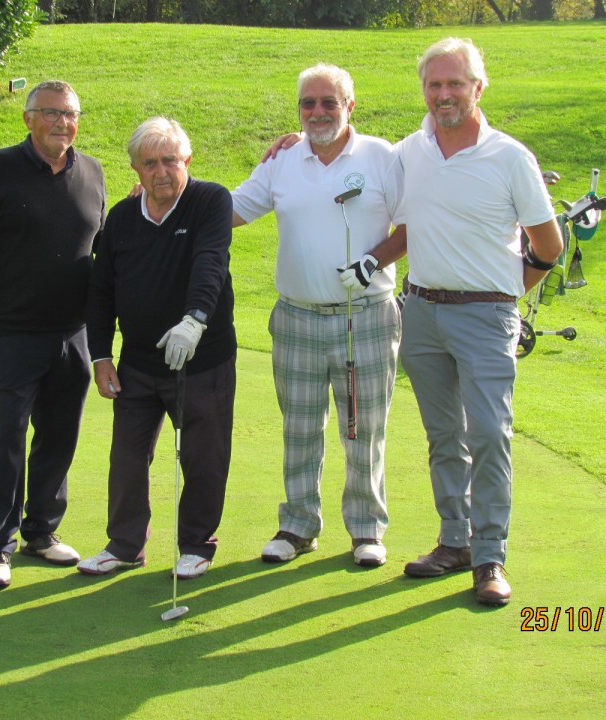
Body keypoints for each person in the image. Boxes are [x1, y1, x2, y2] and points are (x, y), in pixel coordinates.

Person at [308, 38, 561, 605]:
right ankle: (455, 541)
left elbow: (549, 245)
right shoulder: (408, 153)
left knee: (488, 434)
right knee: (444, 435)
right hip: (421, 312)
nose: (444, 94)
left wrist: (504, 297)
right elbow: (399, 217)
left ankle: (490, 556)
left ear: (478, 87)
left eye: (455, 84)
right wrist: (291, 143)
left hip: (486, 315)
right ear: (424, 89)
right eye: (434, 84)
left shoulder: (510, 157)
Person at [231, 64, 405, 568]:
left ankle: (366, 529)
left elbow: (413, 224)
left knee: (363, 430)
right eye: (308, 103)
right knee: (300, 428)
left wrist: (373, 261)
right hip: (297, 317)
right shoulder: (283, 159)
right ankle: (298, 525)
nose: (318, 112)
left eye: (329, 102)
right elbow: (233, 210)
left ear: (350, 105)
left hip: (365, 317)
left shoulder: (381, 156)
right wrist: (169, 191)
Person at [0, 80, 106, 588]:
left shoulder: (93, 172)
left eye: (71, 114)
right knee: (8, 434)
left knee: (60, 435)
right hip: (13, 331)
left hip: (73, 331)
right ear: (28, 119)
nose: (63, 122)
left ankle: (42, 531)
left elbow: (103, 249)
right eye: (51, 113)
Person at [77, 117, 236, 580]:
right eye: (149, 164)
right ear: (135, 169)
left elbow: (210, 263)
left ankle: (197, 545)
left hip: (203, 361)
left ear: (188, 160)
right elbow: (101, 290)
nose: (161, 172)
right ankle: (125, 545)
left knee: (203, 457)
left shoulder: (209, 201)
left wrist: (194, 321)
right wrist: (101, 355)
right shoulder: (123, 217)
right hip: (139, 362)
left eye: (170, 161)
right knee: (127, 457)